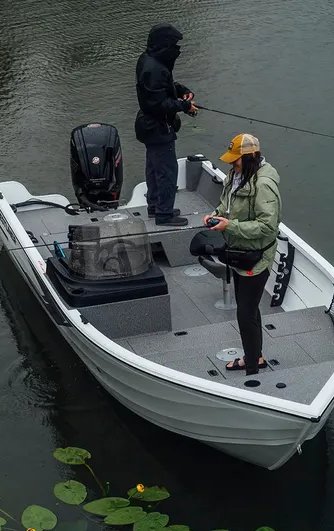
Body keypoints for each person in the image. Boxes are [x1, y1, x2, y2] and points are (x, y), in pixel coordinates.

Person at [204, 134, 282, 375]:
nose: (232, 165)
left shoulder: (264, 185)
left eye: (236, 161)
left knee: (245, 312)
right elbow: (226, 204)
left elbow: (268, 227)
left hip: (256, 257)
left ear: (250, 158)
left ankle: (251, 366)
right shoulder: (236, 176)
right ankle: (255, 357)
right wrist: (215, 214)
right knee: (248, 308)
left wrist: (230, 226)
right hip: (239, 252)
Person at [135, 23, 198, 227]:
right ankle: (164, 213)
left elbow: (162, 89)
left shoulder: (151, 61)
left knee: (154, 168)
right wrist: (184, 105)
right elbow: (158, 104)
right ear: (163, 44)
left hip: (150, 127)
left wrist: (181, 90)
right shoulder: (154, 68)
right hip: (158, 127)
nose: (176, 49)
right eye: (173, 44)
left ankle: (155, 206)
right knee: (167, 171)